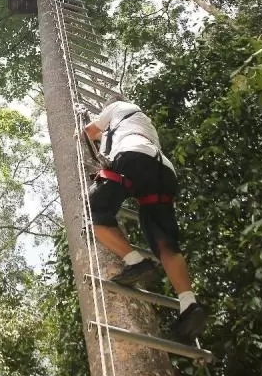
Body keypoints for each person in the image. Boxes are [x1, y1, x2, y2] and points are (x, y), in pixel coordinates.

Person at [82, 98, 207, 341]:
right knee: (165, 243)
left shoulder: (117, 107)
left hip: (132, 157)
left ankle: (135, 261)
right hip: (162, 169)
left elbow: (89, 132)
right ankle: (189, 303)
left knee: (93, 210)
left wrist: (86, 131)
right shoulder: (143, 122)